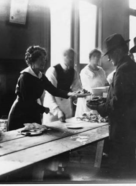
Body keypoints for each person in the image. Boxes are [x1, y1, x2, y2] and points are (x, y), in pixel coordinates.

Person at [87, 33, 136, 177]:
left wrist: (98, 107)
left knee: (122, 169)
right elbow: (119, 97)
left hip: (122, 129)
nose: (108, 58)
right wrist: (104, 103)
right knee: (128, 166)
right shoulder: (129, 66)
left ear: (119, 51)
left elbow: (118, 103)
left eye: (110, 54)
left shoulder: (124, 70)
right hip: (129, 128)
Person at [7, 45, 76, 131]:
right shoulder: (24, 77)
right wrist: (43, 109)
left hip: (33, 112)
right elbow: (27, 102)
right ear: (33, 60)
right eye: (41, 59)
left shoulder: (40, 76)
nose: (44, 61)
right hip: (20, 114)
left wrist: (69, 94)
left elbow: (53, 90)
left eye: (44, 59)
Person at [42, 48, 82, 124]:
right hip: (52, 106)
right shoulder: (53, 70)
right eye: (70, 57)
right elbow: (49, 93)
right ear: (64, 56)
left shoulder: (74, 72)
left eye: (73, 58)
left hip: (66, 106)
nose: (72, 60)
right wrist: (57, 110)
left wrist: (80, 93)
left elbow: (77, 88)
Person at [75, 49, 107, 118]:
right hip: (88, 100)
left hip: (99, 100)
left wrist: (104, 98)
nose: (96, 58)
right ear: (90, 58)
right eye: (94, 56)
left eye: (98, 56)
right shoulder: (85, 71)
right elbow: (89, 88)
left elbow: (104, 85)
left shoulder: (101, 71)